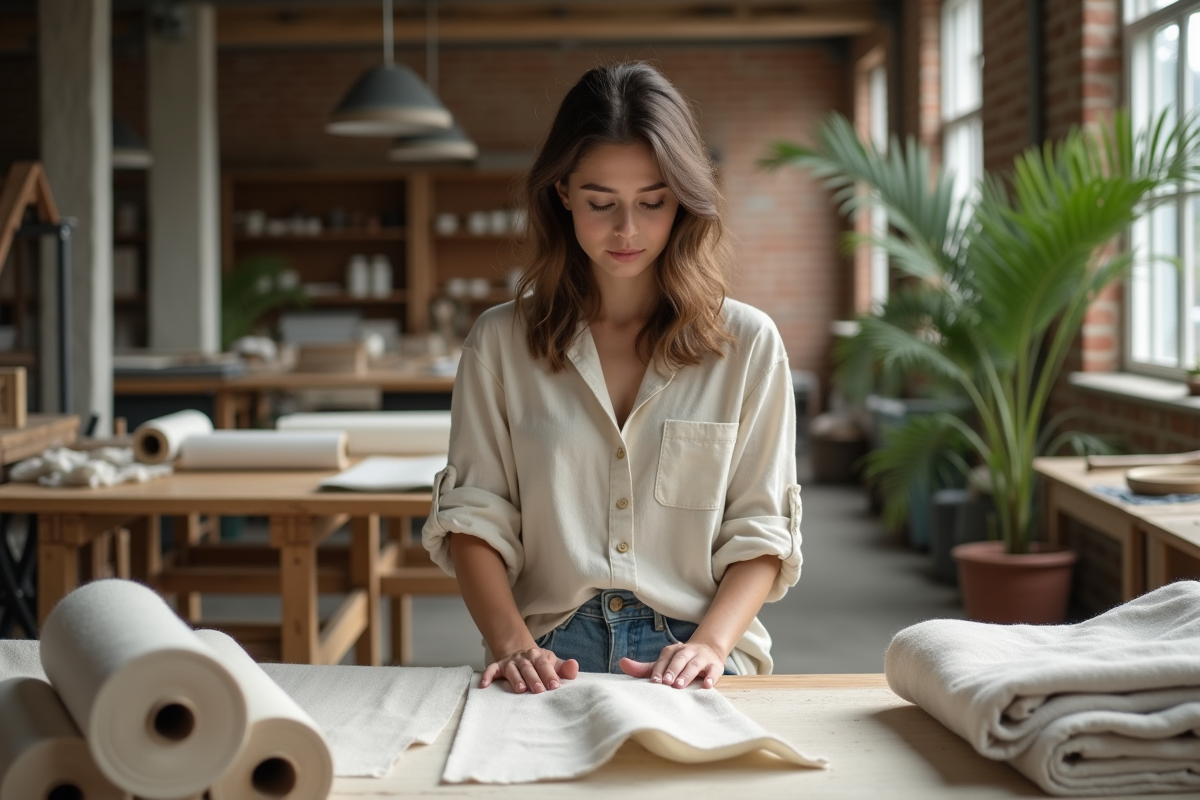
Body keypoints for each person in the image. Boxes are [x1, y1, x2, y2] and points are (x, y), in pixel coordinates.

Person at [423, 61, 801, 695]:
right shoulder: (499, 342)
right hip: (545, 650)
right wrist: (512, 643)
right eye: (601, 203)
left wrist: (709, 645)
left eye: (652, 202)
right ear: (562, 193)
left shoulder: (749, 345)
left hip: (702, 643)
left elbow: (761, 531)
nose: (627, 230)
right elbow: (473, 519)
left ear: (683, 198)